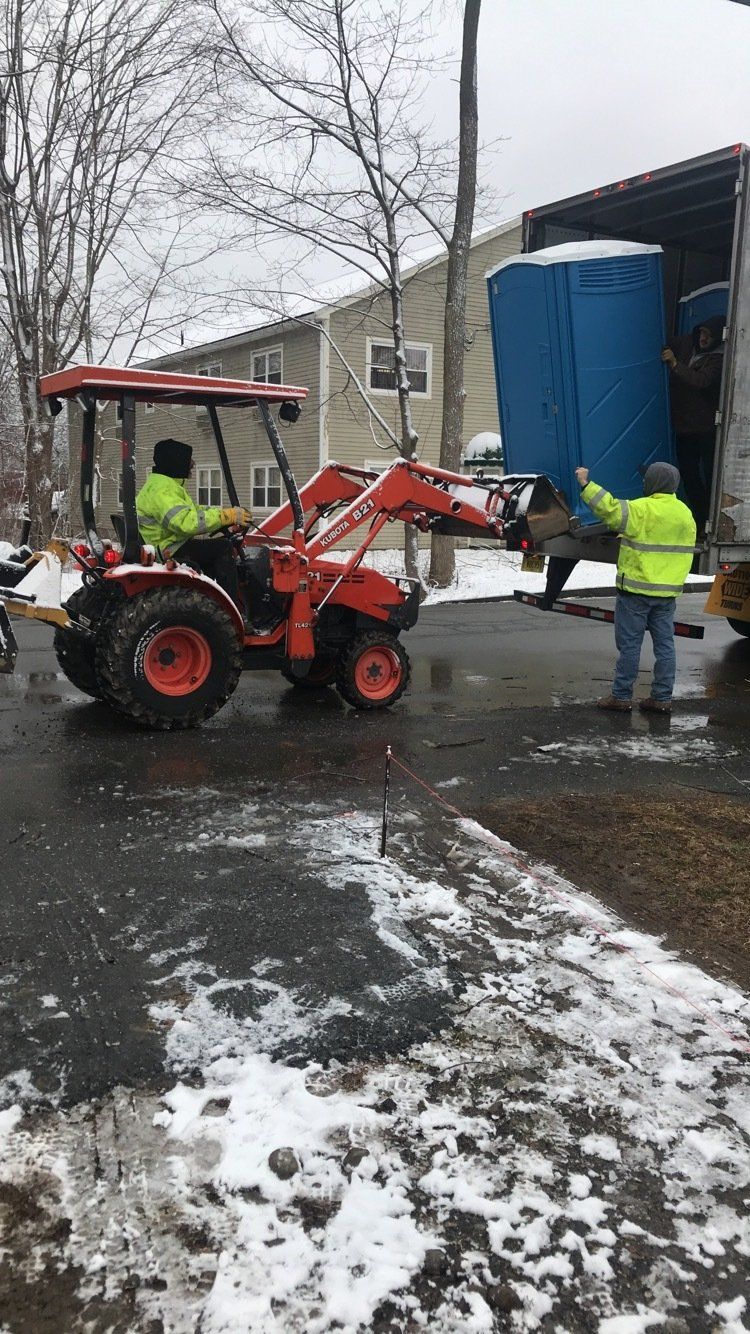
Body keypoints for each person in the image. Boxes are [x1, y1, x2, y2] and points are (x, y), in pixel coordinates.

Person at [574, 462, 696, 715]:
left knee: (630, 646)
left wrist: (586, 484)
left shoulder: (642, 509)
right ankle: (662, 698)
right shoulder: (685, 514)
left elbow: (608, 509)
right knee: (665, 646)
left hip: (635, 593)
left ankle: (621, 696)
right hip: (666, 594)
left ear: (653, 483)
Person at [135, 438, 251, 609]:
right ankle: (231, 610)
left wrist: (224, 515)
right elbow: (185, 523)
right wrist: (225, 517)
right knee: (223, 548)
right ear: (176, 461)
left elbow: (194, 513)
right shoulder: (163, 489)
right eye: (188, 461)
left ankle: (212, 602)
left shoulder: (166, 485)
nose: (192, 465)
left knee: (216, 549)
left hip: (169, 544)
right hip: (169, 549)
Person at [661, 316, 724, 536]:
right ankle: (698, 520)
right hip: (683, 427)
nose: (704, 338)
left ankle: (705, 522)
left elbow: (701, 381)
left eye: (709, 335)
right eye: (702, 333)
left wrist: (675, 364)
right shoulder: (687, 342)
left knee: (708, 477)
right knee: (689, 477)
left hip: (705, 428)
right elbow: (664, 340)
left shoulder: (718, 359)